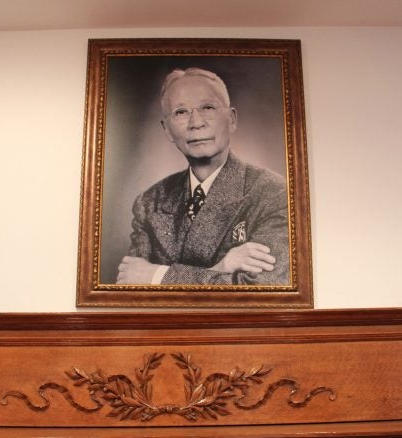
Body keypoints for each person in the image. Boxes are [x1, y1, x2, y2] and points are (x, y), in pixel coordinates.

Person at [115, 67, 290, 286]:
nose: (196, 123)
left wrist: (158, 276)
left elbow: (261, 290)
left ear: (232, 119)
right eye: (181, 112)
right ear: (167, 130)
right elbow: (129, 288)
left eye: (208, 107)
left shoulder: (273, 193)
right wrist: (221, 268)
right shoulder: (150, 202)